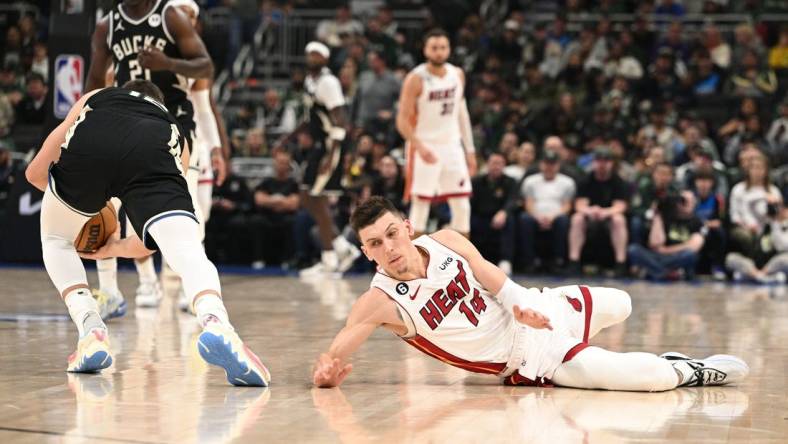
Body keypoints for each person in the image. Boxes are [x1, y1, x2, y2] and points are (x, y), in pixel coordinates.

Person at [310, 196, 748, 390]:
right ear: (366, 252)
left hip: (539, 307)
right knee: (652, 380)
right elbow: (338, 349)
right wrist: (327, 374)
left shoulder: (444, 239)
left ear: (408, 227)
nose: (389, 249)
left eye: (392, 234)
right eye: (375, 244)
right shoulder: (381, 301)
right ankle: (687, 370)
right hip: (531, 362)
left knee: (623, 302)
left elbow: (493, 276)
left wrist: (523, 305)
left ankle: (598, 345)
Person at [24, 80, 269, 386]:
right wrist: (113, 246)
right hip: (153, 147)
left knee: (56, 240)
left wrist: (83, 207)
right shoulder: (174, 127)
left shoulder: (97, 96)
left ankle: (91, 329)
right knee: (187, 249)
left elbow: (34, 173)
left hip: (93, 139)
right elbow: (149, 245)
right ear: (159, 101)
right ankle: (216, 321)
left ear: (123, 89)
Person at [86, 0, 215, 312]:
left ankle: (192, 286)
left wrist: (168, 63)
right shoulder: (107, 26)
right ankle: (112, 291)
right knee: (102, 205)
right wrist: (84, 123)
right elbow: (93, 81)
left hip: (174, 124)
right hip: (125, 122)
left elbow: (206, 67)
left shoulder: (170, 16)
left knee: (186, 208)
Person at [275, 41, 360, 276]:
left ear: (325, 58)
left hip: (329, 146)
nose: (312, 56)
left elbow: (341, 120)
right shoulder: (311, 82)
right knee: (307, 196)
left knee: (316, 197)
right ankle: (341, 249)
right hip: (319, 146)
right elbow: (310, 117)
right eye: (309, 52)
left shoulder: (329, 82)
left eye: (317, 53)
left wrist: (334, 153)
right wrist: (287, 139)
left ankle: (331, 257)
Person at [396, 28, 477, 238]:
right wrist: (419, 147)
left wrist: (470, 150)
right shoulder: (416, 78)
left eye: (443, 48)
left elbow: (462, 114)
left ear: (449, 49)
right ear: (425, 50)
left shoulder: (457, 74)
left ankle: (463, 262)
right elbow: (402, 121)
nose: (439, 52)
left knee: (462, 205)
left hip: (452, 146)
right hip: (424, 145)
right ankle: (415, 266)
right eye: (434, 48)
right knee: (420, 206)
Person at [567, 147, 630, 277]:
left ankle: (620, 263)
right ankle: (574, 261)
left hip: (609, 217)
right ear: (594, 162)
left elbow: (621, 206)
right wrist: (591, 211)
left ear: (611, 163)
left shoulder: (618, 181)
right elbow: (579, 205)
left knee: (619, 219)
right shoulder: (585, 180)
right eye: (599, 161)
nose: (602, 164)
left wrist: (605, 212)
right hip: (590, 217)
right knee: (577, 218)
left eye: (606, 161)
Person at [627, 191, 705, 280]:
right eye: (682, 201)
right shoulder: (667, 216)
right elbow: (654, 244)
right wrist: (658, 215)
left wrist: (665, 250)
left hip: (676, 257)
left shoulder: (697, 222)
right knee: (633, 250)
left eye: (690, 201)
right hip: (658, 257)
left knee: (690, 255)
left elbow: (694, 247)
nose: (686, 204)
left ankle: (656, 270)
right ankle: (666, 272)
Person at [519, 150, 575, 273]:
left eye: (552, 164)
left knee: (563, 221)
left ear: (558, 165)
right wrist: (538, 217)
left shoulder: (567, 182)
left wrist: (552, 217)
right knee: (525, 219)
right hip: (535, 215)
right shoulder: (530, 181)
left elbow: (567, 206)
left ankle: (558, 260)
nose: (549, 167)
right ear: (541, 164)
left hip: (557, 215)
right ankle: (530, 261)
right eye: (546, 163)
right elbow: (528, 203)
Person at [470, 153, 518, 276]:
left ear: (504, 166)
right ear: (487, 164)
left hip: (500, 217)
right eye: (493, 163)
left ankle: (505, 260)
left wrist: (504, 212)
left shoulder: (510, 182)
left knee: (510, 220)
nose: (496, 166)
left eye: (499, 163)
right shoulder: (476, 181)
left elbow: (513, 200)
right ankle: (472, 259)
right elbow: (471, 204)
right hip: (480, 217)